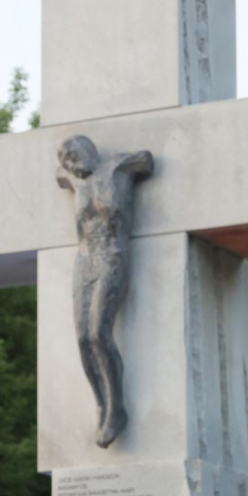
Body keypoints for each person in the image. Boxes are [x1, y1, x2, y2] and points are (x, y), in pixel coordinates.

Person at [57, 135, 153, 449]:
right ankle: (101, 405)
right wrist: (68, 175)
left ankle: (117, 408)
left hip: (112, 254)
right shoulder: (74, 181)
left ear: (88, 148)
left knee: (99, 332)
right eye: (65, 161)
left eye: (71, 155)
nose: (69, 164)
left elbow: (147, 158)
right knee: (83, 339)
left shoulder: (119, 167)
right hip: (84, 261)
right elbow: (61, 177)